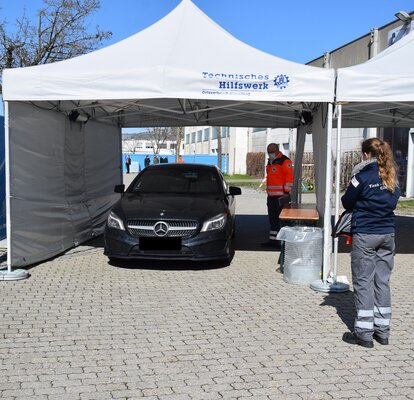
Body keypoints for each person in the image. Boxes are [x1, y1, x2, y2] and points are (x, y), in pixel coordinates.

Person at [341, 138, 400, 348]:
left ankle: (364, 334)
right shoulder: (392, 176)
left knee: (363, 282)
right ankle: (382, 332)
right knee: (382, 281)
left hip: (365, 233)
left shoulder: (361, 177)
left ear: (366, 154)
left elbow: (346, 201)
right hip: (387, 234)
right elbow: (393, 201)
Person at [260, 143, 293, 247]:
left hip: (281, 196)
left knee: (283, 220)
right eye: (268, 152)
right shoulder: (270, 162)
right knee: (273, 219)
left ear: (277, 150)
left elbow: (289, 178)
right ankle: (273, 241)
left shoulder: (284, 161)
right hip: (271, 197)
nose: (270, 154)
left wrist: (286, 193)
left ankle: (285, 242)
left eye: (271, 152)